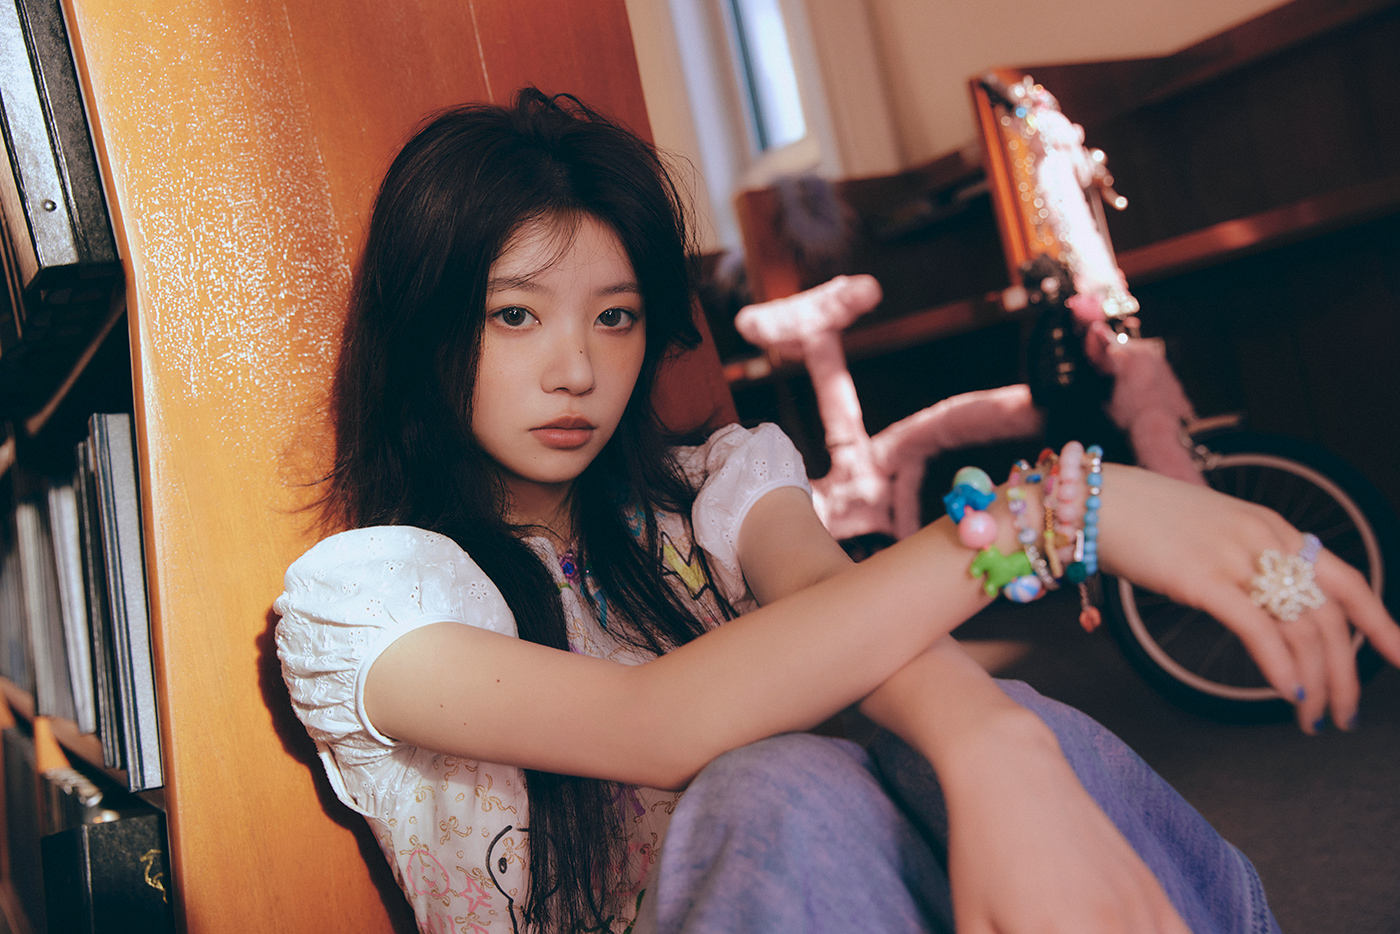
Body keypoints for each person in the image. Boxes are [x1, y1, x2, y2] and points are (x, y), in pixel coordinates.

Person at [273, 89, 1400, 934]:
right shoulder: (369, 603)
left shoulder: (710, 490)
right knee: (781, 779)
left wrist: (995, 746)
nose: (576, 370)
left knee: (981, 716)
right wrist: (1055, 518)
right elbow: (653, 724)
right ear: (424, 326)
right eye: (515, 316)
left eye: (614, 317)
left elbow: (828, 596)